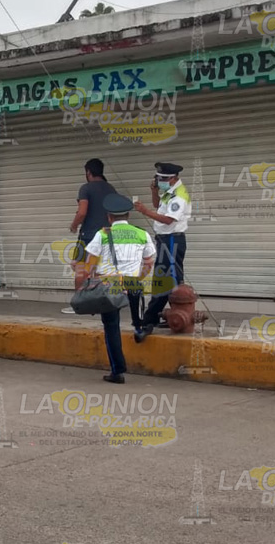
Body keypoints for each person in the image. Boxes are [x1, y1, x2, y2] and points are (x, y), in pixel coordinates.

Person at [78, 193, 156, 384]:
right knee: (137, 309)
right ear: (128, 216)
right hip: (132, 281)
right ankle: (138, 328)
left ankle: (117, 371)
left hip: (109, 285)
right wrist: (138, 278)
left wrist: (86, 281)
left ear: (109, 217)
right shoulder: (141, 233)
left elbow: (90, 264)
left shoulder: (103, 234)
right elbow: (149, 261)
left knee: (111, 327)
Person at [134, 162, 191, 339]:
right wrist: (153, 192)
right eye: (158, 178)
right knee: (173, 279)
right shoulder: (170, 192)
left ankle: (150, 318)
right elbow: (159, 205)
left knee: (164, 278)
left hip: (172, 239)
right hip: (166, 240)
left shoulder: (179, 196)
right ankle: (176, 312)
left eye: (163, 179)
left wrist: (144, 211)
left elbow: (168, 219)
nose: (160, 181)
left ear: (174, 178)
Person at [63, 158, 118, 314]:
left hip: (88, 235)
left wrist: (74, 225)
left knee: (81, 269)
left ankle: (79, 305)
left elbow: (82, 212)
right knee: (100, 271)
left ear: (88, 172)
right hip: (108, 235)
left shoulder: (86, 188)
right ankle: (100, 304)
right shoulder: (111, 189)